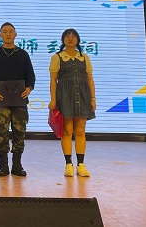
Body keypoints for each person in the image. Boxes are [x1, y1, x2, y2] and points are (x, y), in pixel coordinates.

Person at [0, 22, 35, 177]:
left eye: (10, 31)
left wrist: (29, 88)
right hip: (1, 102)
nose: (8, 34)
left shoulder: (23, 54)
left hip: (20, 102)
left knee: (20, 133)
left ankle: (17, 165)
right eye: (4, 32)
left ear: (15, 34)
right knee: (2, 134)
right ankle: (3, 166)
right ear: (0, 35)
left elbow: (30, 76)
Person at [48, 28, 96, 178]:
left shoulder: (84, 57)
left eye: (73, 36)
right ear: (63, 40)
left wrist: (93, 99)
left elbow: (89, 79)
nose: (70, 38)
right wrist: (53, 99)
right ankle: (68, 164)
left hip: (82, 96)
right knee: (67, 131)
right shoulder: (57, 57)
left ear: (78, 39)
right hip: (65, 96)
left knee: (80, 130)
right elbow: (53, 80)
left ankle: (81, 164)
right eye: (67, 36)